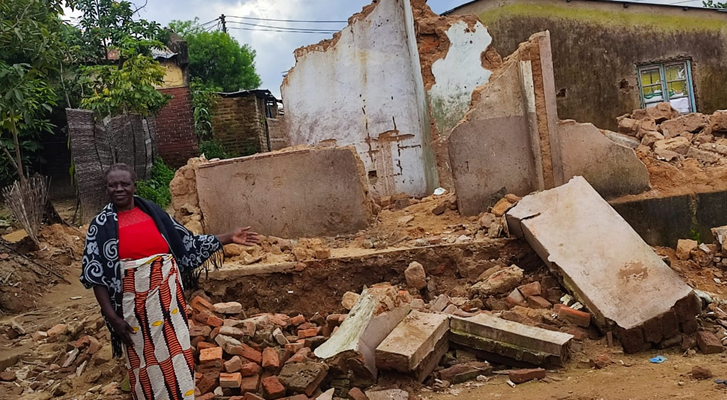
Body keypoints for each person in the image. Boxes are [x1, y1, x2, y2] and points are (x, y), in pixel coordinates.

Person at [80, 163, 259, 400]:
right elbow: (96, 275)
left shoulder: (154, 214)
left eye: (124, 184)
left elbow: (187, 244)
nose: (119, 189)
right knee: (144, 360)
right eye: (113, 185)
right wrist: (113, 317)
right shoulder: (100, 226)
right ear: (106, 189)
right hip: (131, 308)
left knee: (176, 354)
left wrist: (228, 237)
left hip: (167, 304)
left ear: (134, 185)